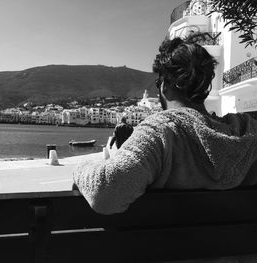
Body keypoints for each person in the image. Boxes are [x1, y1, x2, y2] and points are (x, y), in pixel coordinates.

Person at [72, 35, 257, 216]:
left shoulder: (161, 131)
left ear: (164, 86)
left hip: (166, 245)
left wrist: (80, 168)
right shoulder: (245, 130)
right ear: (205, 85)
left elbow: (107, 192)